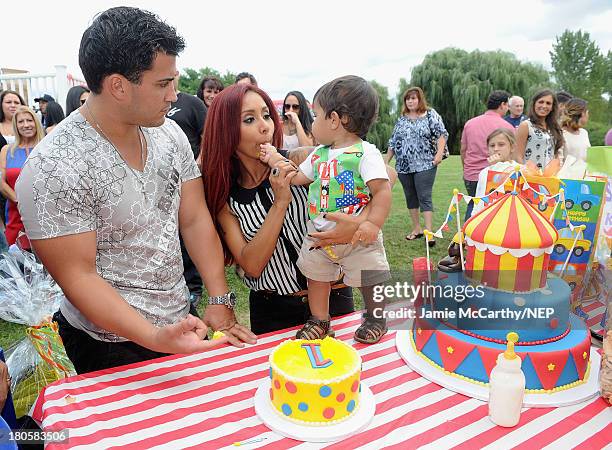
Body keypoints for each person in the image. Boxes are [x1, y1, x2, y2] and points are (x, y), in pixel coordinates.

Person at [15, 6, 256, 374]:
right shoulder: (54, 165)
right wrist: (154, 337)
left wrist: (219, 296)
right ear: (118, 86)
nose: (175, 95)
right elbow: (79, 277)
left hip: (181, 318)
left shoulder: (170, 134)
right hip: (106, 344)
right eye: (163, 84)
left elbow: (193, 218)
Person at [201, 83, 357, 335]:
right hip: (272, 309)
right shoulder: (227, 198)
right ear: (226, 131)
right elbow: (251, 265)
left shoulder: (299, 161)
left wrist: (361, 221)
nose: (265, 126)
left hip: (331, 300)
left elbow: (383, 174)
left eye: (266, 115)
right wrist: (280, 201)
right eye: (249, 119)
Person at [260, 75, 392, 344]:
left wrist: (371, 224)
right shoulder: (319, 154)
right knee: (315, 276)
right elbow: (299, 177)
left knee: (371, 276)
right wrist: (275, 159)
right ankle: (320, 320)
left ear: (334, 120)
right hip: (318, 234)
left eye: (316, 115)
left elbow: (382, 191)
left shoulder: (365, 153)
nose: (313, 122)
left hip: (358, 234)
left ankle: (376, 317)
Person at [386, 86, 448, 245]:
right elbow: (394, 141)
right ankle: (417, 229)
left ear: (419, 99)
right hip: (404, 166)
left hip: (425, 164)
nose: (410, 101)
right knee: (410, 197)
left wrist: (439, 154)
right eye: (407, 99)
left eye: (413, 98)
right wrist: (387, 161)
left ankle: (429, 232)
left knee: (424, 196)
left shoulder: (430, 115)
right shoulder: (402, 118)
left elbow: (441, 134)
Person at [165, 76, 207, 307]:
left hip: (189, 177)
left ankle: (193, 286)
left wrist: (198, 162)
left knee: (189, 228)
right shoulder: (150, 107)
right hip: (162, 181)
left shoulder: (192, 103)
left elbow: (207, 134)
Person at [460, 90, 514, 220]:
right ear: (502, 104)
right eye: (508, 105)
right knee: (493, 208)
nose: (508, 108)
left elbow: (463, 150)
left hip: (471, 174)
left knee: (473, 204)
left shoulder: (470, 123)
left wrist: (466, 168)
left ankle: (467, 234)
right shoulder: (507, 127)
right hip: (496, 175)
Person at [0, 106, 45, 247]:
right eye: (21, 122)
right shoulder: (7, 150)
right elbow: (1, 182)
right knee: (16, 260)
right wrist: (19, 201)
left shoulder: (46, 147)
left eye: (29, 120)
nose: (26, 125)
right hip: (15, 214)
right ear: (16, 125)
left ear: (36, 122)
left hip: (44, 213)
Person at [516, 89, 564, 171]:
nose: (544, 106)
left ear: (552, 107)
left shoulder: (554, 128)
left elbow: (555, 155)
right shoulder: (526, 126)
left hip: (549, 178)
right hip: (529, 177)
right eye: (541, 102)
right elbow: (518, 155)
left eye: (548, 103)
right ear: (534, 104)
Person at [561, 98, 590, 163]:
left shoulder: (584, 133)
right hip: (566, 172)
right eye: (587, 112)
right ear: (582, 113)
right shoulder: (561, 134)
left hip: (585, 172)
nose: (588, 116)